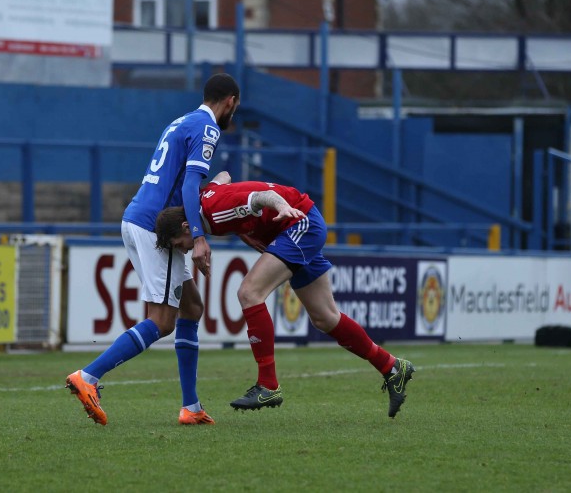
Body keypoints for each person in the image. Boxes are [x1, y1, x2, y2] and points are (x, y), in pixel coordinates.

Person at [155, 172, 416, 419]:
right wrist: (246, 229)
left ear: (186, 227)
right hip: (294, 227)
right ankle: (392, 367)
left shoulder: (214, 212)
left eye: (180, 245)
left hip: (298, 224)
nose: (185, 251)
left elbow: (259, 197)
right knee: (325, 318)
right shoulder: (206, 198)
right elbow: (224, 176)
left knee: (249, 293)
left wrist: (280, 206)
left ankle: (268, 386)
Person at [65, 74, 241, 425]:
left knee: (192, 306)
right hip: (154, 228)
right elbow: (190, 185)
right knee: (161, 322)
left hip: (145, 219)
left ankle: (191, 408)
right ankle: (88, 376)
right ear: (231, 102)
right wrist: (200, 237)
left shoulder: (181, 121)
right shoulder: (208, 129)